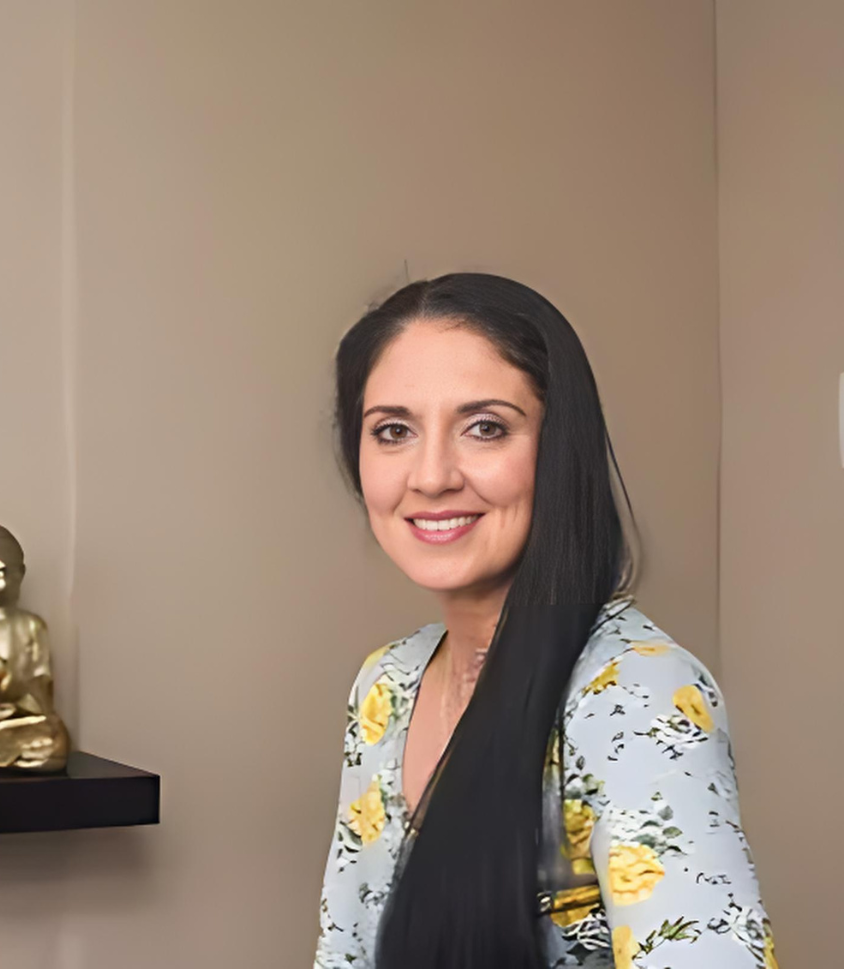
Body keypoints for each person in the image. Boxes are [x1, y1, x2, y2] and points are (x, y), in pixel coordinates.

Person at [312, 273, 778, 969]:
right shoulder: (386, 687)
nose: (431, 474)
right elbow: (343, 952)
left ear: (559, 448)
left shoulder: (630, 694)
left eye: (485, 427)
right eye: (393, 431)